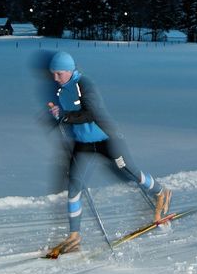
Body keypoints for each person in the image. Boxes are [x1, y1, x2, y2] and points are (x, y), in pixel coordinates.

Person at [44, 51, 171, 256]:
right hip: (82, 143)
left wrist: (66, 117)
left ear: (69, 70)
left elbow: (90, 113)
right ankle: (74, 236)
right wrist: (57, 115)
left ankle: (160, 192)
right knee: (74, 185)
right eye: (53, 74)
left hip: (105, 139)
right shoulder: (61, 91)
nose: (55, 78)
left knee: (128, 171)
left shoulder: (83, 84)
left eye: (59, 73)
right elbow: (67, 116)